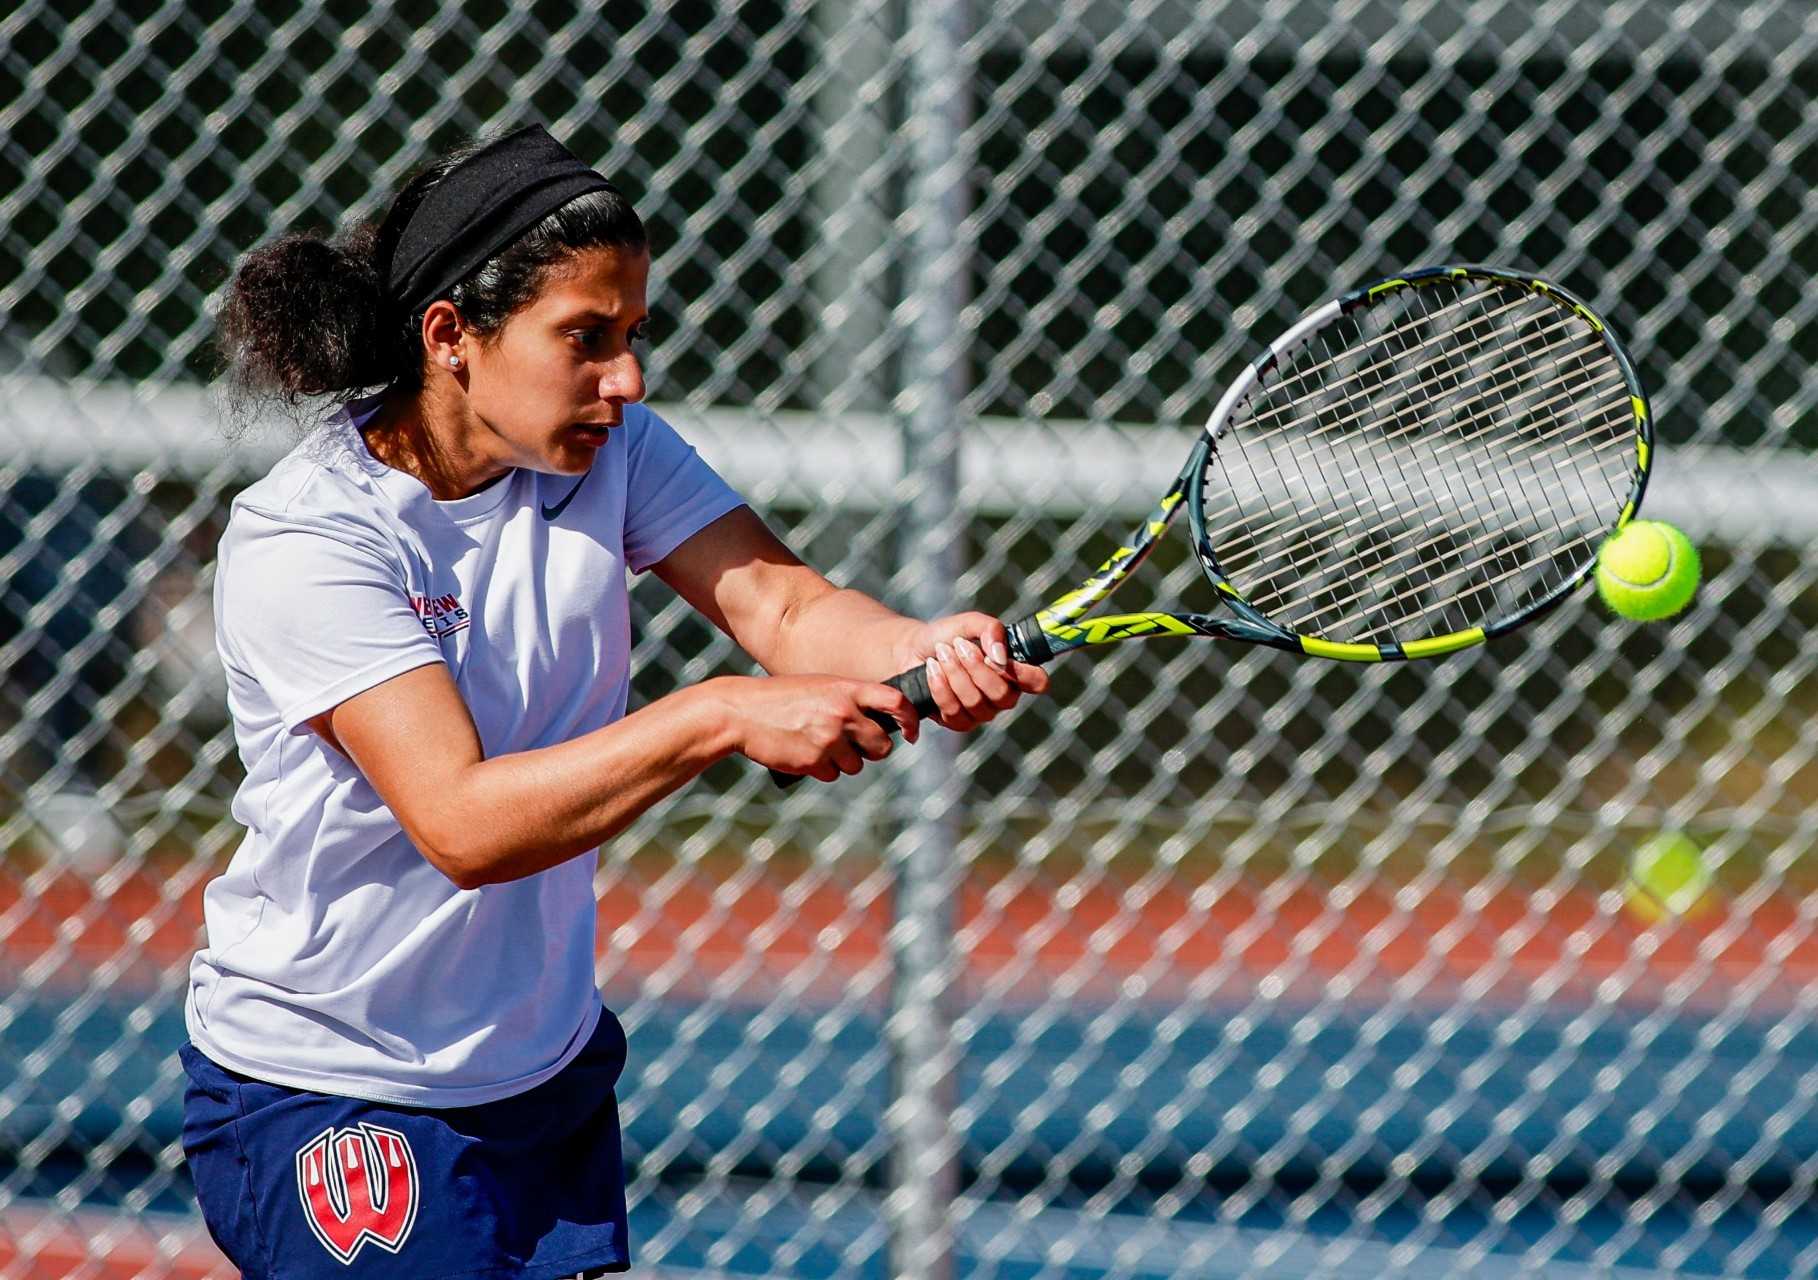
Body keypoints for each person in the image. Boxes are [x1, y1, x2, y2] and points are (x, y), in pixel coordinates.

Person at [180, 124, 1047, 1279]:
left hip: (538, 1075)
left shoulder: (616, 451)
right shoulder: (312, 536)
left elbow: (787, 607)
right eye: (584, 338)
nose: (626, 378)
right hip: (328, 1084)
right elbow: (464, 822)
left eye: (632, 336)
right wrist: (719, 715)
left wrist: (922, 645)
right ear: (450, 336)